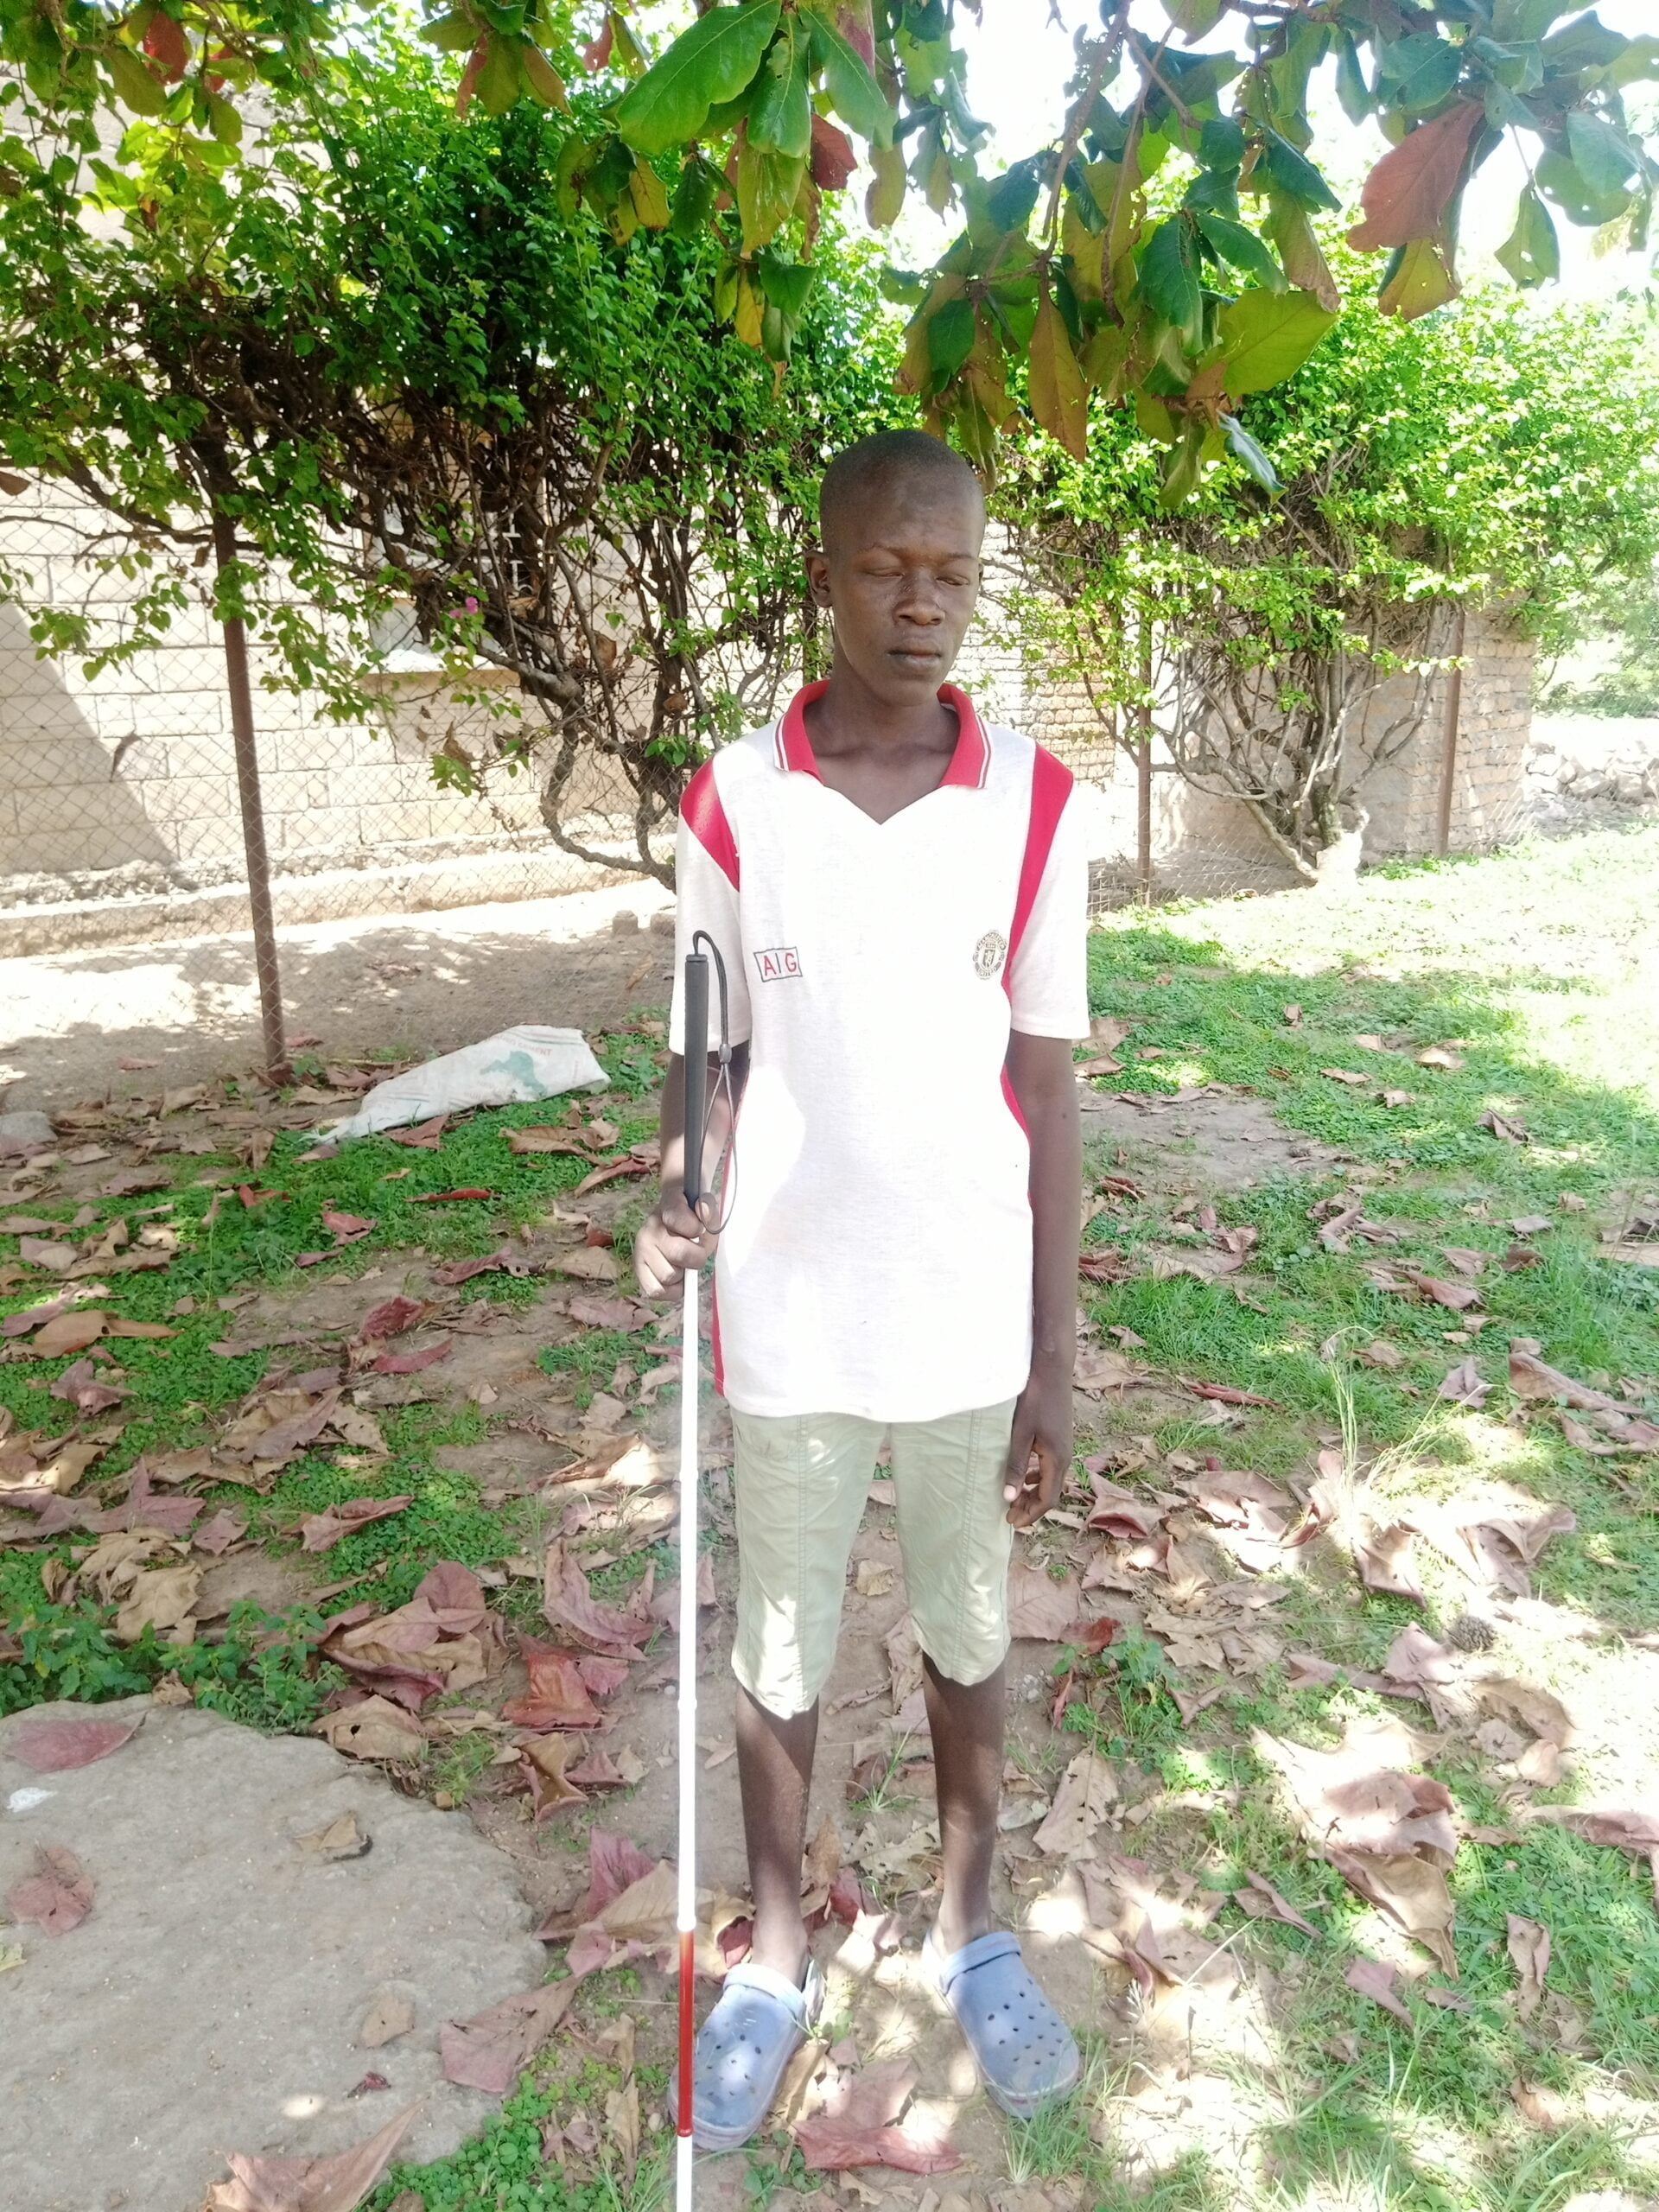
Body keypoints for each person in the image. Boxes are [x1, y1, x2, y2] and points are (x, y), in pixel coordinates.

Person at [634, 428, 1087, 2145]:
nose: (923, 601)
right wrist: (686, 1179)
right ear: (825, 568)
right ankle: (770, 1949)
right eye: (889, 565)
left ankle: (974, 1922)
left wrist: (1056, 1352)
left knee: (969, 1626)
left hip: (968, 1306)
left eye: (954, 569)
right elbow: (709, 1036)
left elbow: (1047, 1083)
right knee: (780, 1635)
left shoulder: (1037, 798)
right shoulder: (734, 795)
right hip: (794, 1304)